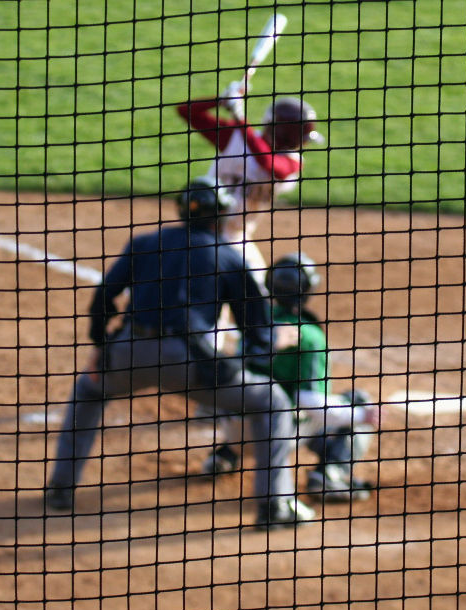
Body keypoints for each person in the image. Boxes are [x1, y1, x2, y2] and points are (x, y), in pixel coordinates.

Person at [45, 178, 314, 528]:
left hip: (130, 353)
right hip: (190, 364)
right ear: (221, 216)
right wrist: (266, 346)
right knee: (273, 401)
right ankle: (273, 506)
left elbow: (104, 297)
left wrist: (101, 346)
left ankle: (61, 489)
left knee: (88, 391)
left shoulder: (143, 244)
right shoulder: (230, 257)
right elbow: (258, 333)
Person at [203, 252, 378, 502]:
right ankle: (330, 474)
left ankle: (225, 455)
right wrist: (363, 416)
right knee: (357, 401)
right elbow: (310, 401)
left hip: (234, 427)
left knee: (254, 392)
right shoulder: (309, 335)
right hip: (273, 435)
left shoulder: (255, 324)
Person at [175, 90, 325, 274]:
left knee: (257, 291)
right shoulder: (234, 138)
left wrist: (240, 119)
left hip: (237, 238)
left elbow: (268, 163)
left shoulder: (292, 162)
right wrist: (221, 100)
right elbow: (186, 111)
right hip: (202, 230)